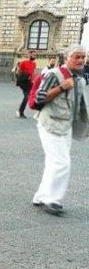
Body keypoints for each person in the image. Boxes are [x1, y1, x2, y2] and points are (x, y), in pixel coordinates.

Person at [32, 45, 88, 215]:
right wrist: (61, 87)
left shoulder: (80, 78)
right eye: (76, 57)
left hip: (66, 125)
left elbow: (78, 105)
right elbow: (39, 97)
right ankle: (52, 200)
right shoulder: (54, 74)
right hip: (50, 123)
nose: (80, 60)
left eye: (83, 57)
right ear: (66, 58)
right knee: (62, 163)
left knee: (53, 162)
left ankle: (41, 196)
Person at [14, 50, 37, 119]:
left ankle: (20, 111)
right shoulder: (23, 62)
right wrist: (17, 80)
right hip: (23, 82)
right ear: (29, 55)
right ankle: (20, 112)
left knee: (33, 96)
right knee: (27, 96)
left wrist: (34, 80)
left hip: (30, 82)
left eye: (35, 55)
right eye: (33, 55)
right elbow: (17, 72)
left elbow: (33, 73)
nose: (34, 56)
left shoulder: (34, 64)